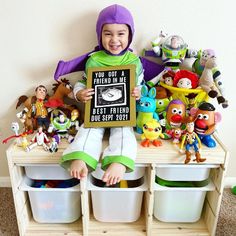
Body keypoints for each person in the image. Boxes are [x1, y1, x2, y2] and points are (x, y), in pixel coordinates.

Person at [59, 4, 144, 186]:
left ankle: (119, 161)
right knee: (87, 131)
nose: (114, 39)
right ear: (100, 34)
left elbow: (141, 84)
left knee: (124, 133)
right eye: (108, 33)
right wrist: (79, 93)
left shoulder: (134, 61)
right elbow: (83, 81)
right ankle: (81, 157)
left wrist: (138, 92)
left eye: (121, 33)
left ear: (129, 35)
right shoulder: (94, 59)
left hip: (122, 114)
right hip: (96, 113)